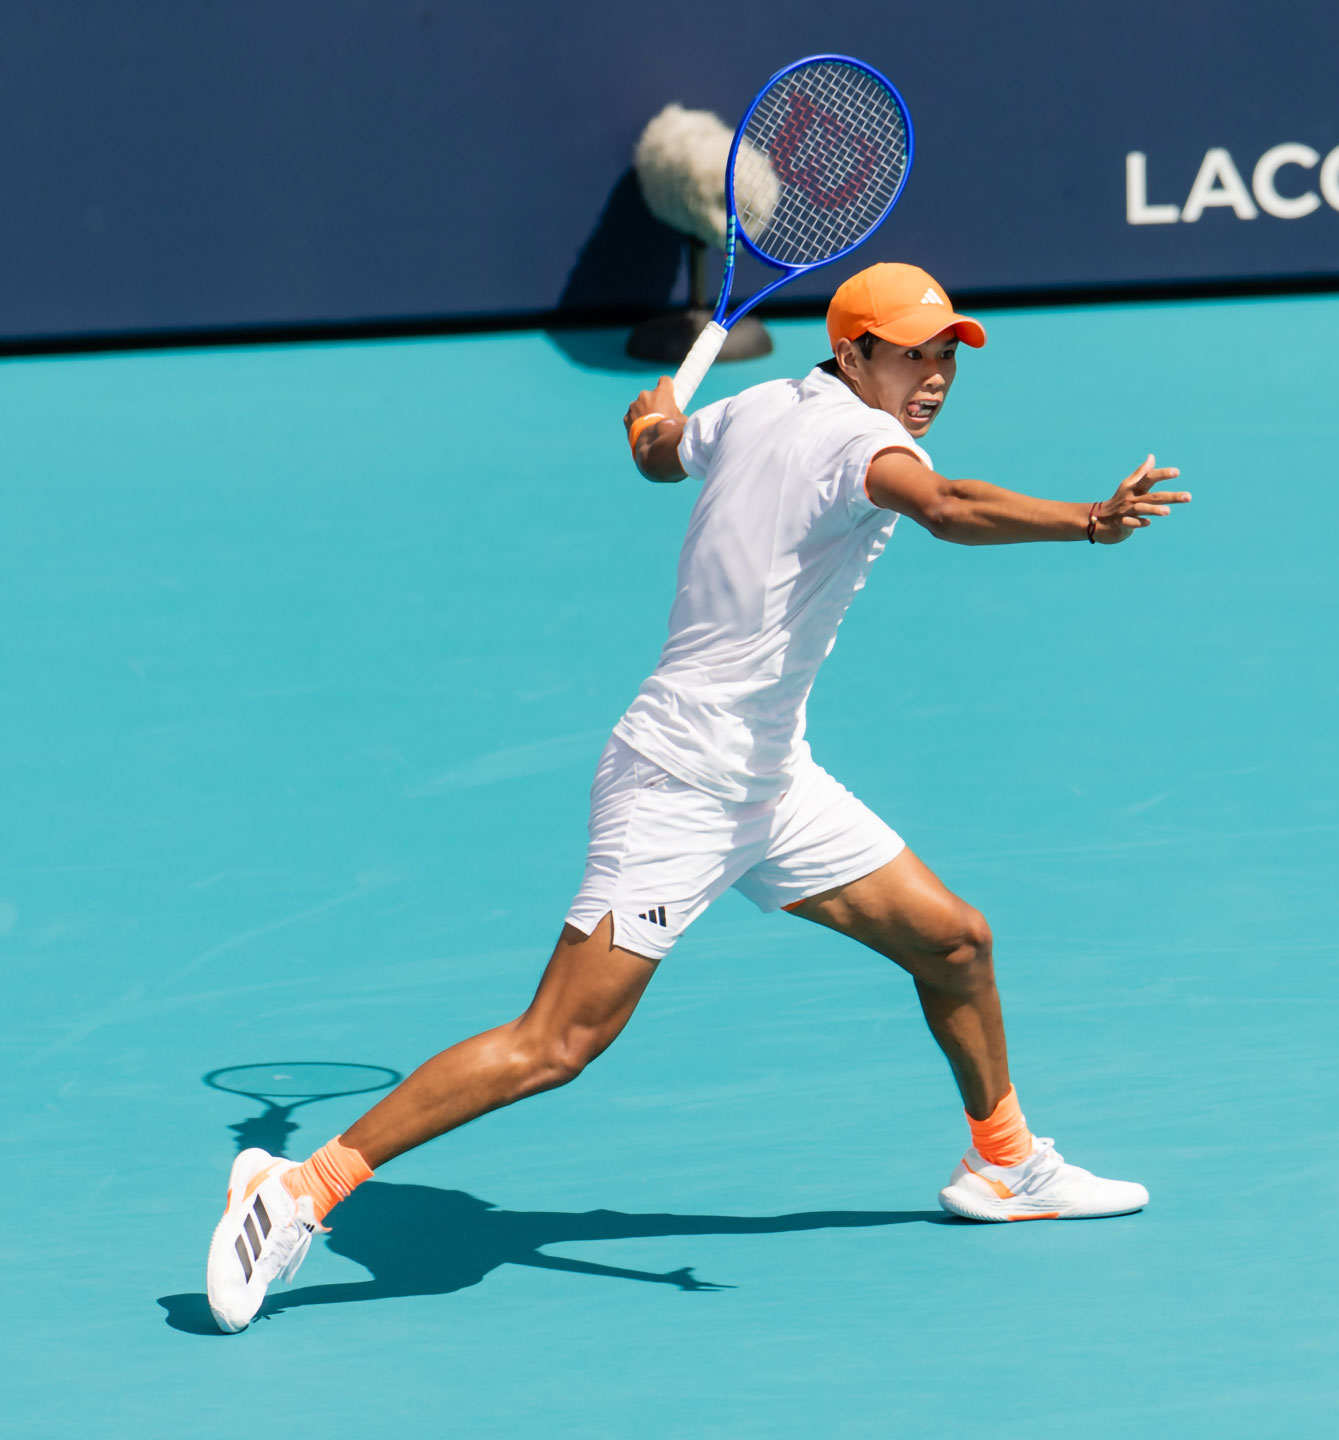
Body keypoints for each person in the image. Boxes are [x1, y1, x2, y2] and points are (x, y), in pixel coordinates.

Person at [203, 262, 1190, 1333]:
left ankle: (1003, 1164)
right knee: (557, 1042)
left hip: (770, 777)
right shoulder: (863, 444)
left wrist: (653, 422)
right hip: (681, 782)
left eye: (948, 352)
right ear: (854, 353)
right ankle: (301, 1190)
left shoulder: (759, 404)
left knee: (953, 941)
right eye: (914, 353)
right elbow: (947, 506)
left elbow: (662, 457)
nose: (937, 375)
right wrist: (1088, 521)